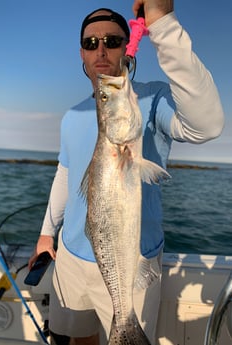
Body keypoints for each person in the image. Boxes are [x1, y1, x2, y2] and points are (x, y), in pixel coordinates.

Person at [29, 1, 224, 344]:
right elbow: (65, 173)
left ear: (128, 49)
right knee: (79, 339)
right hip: (72, 257)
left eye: (113, 41)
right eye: (91, 43)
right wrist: (47, 233)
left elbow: (206, 126)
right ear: (81, 54)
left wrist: (162, 24)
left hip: (132, 258)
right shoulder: (72, 114)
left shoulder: (150, 98)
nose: (101, 49)